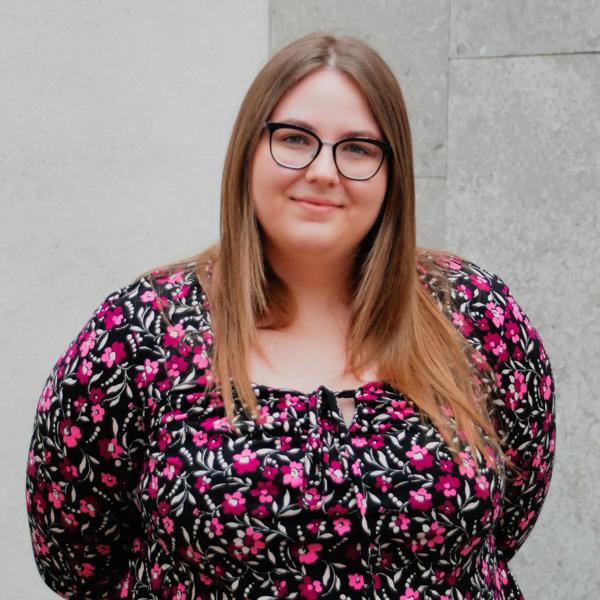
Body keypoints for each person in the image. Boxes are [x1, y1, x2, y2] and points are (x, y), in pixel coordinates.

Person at [26, 32, 555, 599]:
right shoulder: (139, 333)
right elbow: (74, 556)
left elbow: (507, 518)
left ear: (392, 173)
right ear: (248, 150)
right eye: (295, 138)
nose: (324, 171)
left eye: (358, 148)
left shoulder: (476, 314)